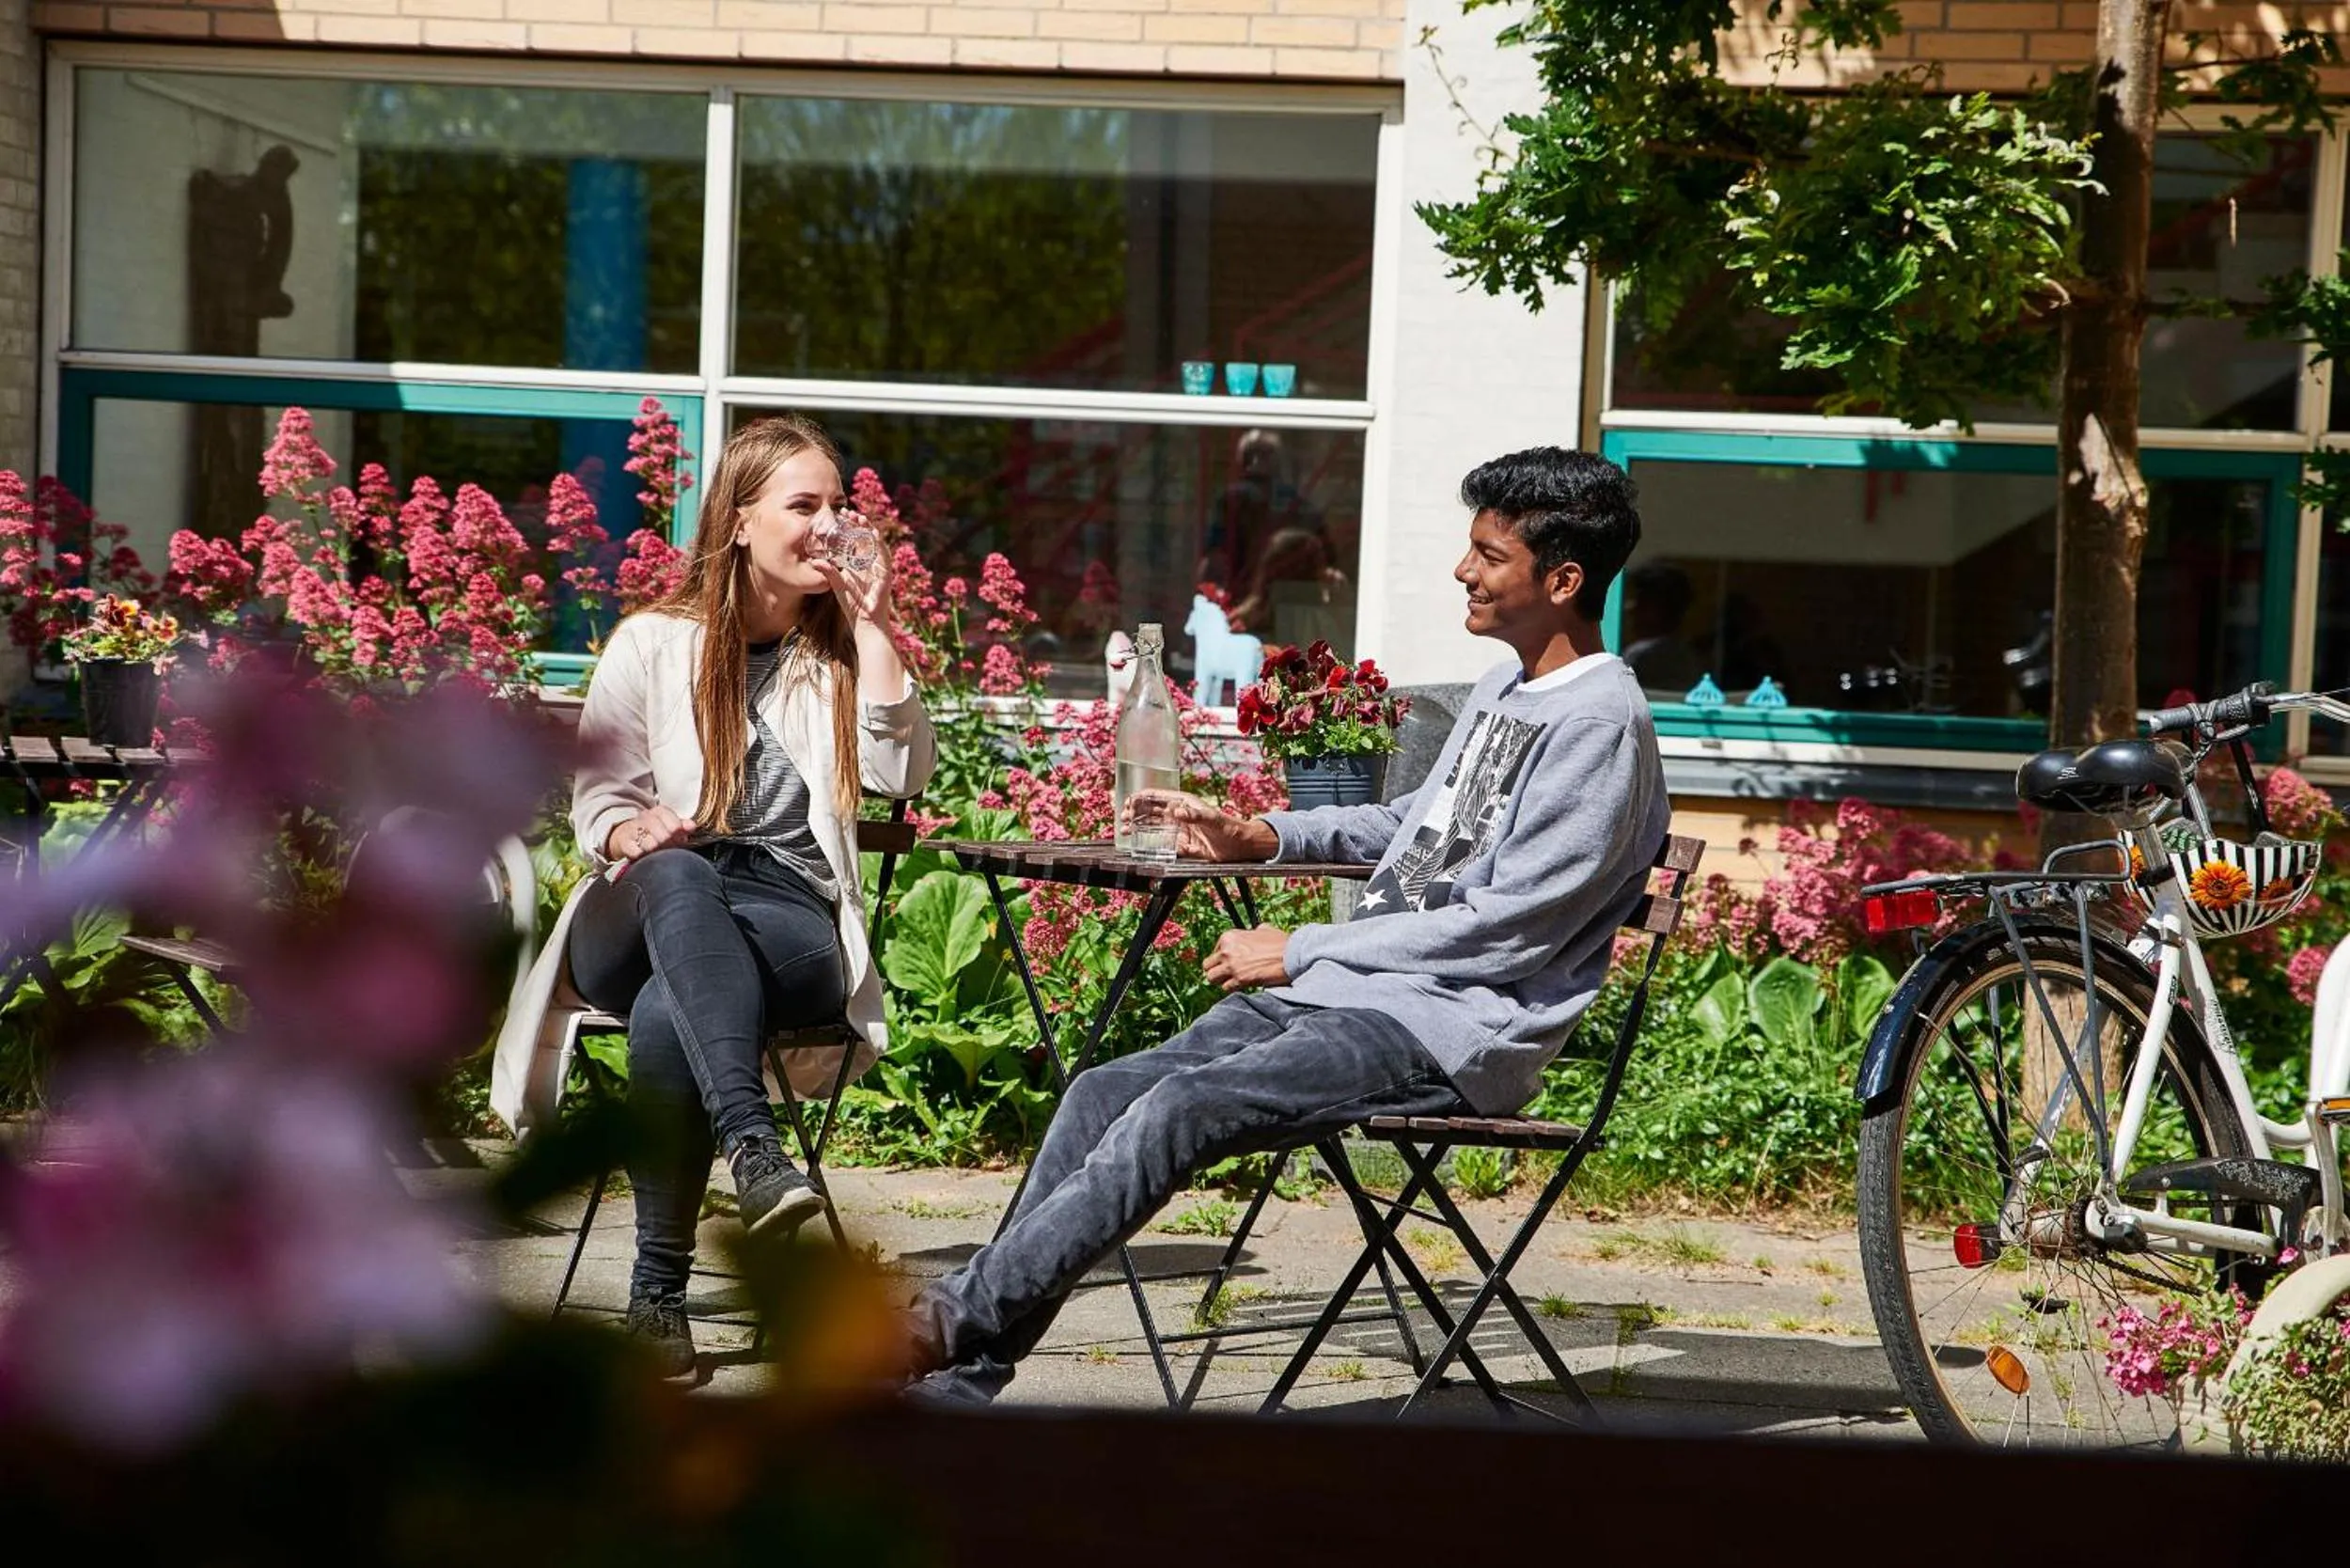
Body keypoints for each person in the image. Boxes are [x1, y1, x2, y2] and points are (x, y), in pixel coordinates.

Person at [899, 447, 1668, 1405]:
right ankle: (956, 1388)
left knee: (1180, 1111)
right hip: (1353, 998)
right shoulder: (1502, 690)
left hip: (1446, 1028)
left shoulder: (1600, 723)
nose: (1462, 571)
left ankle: (941, 1324)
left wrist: (1299, 947)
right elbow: (1408, 829)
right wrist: (1256, 832)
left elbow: (1505, 930)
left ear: (1561, 581)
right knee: (1101, 1090)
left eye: (1487, 554)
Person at [564, 414, 935, 1379]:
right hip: (640, 899)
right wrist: (624, 831)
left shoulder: (841, 653)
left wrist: (872, 623)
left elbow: (900, 774)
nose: (826, 525)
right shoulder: (652, 643)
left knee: (666, 1010)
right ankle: (753, 1149)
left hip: (782, 918)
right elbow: (597, 793)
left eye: (835, 506)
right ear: (738, 520)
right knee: (680, 872)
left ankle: (656, 1298)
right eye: (801, 505)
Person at [1620, 559, 1703, 697]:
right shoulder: (1684, 654)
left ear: (1666, 608)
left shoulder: (1650, 656)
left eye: (1643, 601)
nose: (1631, 608)